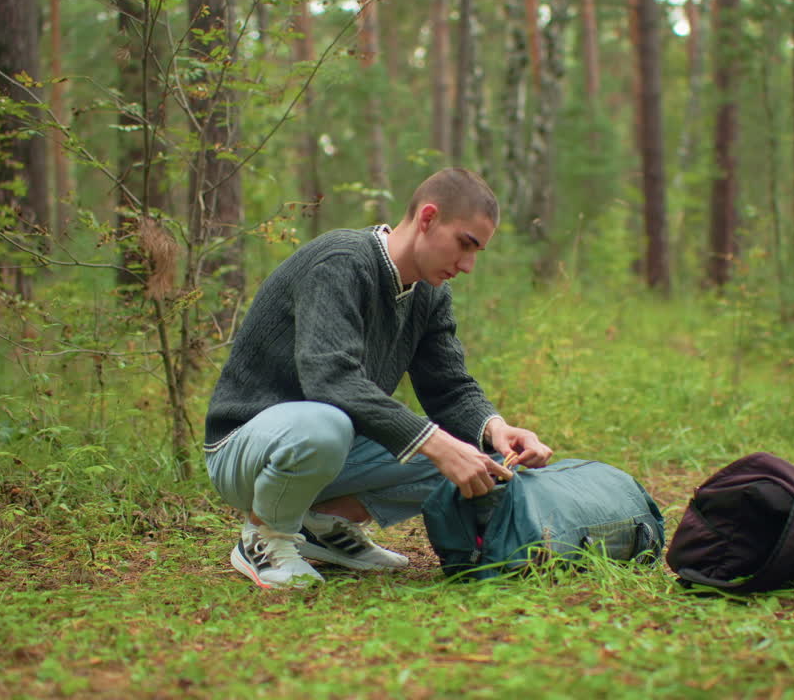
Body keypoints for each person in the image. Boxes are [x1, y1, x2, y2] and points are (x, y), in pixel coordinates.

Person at [202, 168, 554, 589]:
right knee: (329, 425)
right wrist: (436, 443)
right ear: (427, 218)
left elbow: (449, 386)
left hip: (331, 445)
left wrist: (496, 430)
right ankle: (264, 537)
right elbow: (329, 379)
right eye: (465, 244)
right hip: (244, 448)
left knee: (479, 465)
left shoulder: (429, 293)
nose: (468, 265)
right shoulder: (342, 261)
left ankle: (322, 528)